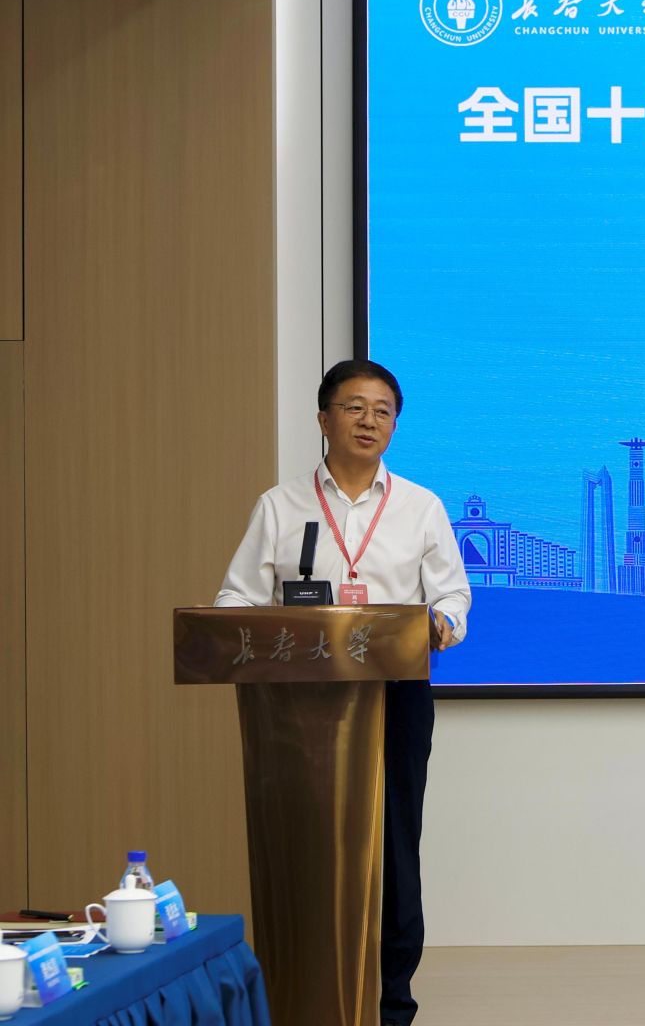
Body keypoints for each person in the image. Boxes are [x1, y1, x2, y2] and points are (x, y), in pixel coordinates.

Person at [215, 359, 470, 1026]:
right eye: (354, 407)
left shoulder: (420, 506)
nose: (369, 421)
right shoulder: (280, 506)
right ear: (323, 419)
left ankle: (391, 1002)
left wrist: (442, 624)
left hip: (394, 694)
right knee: (303, 842)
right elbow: (236, 598)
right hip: (297, 703)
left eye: (383, 411)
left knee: (393, 845)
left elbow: (452, 597)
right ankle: (300, 990)